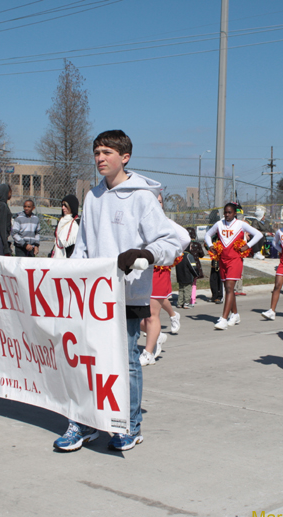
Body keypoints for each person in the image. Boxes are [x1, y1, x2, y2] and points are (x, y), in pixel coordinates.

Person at [53, 130, 183, 452]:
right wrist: (71, 276)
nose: (100, 158)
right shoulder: (91, 197)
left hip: (129, 294)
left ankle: (129, 425)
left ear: (124, 157)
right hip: (94, 294)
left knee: (125, 361)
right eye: (97, 152)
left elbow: (173, 240)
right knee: (85, 360)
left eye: (107, 152)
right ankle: (83, 424)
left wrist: (145, 255)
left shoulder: (142, 197)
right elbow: (83, 247)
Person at [140, 193, 189, 367]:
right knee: (135, 315)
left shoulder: (167, 223)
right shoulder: (141, 219)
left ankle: (149, 353)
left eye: (159, 202)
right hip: (140, 271)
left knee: (152, 313)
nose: (156, 204)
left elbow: (185, 238)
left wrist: (170, 255)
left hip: (159, 270)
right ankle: (159, 333)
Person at [205, 202, 262, 330]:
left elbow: (259, 234)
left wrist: (248, 245)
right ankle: (235, 315)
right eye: (225, 212)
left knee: (230, 287)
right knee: (227, 288)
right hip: (223, 260)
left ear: (235, 213)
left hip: (235, 260)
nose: (227, 215)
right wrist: (211, 246)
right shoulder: (219, 224)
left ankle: (224, 319)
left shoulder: (241, 224)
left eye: (229, 212)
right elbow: (207, 235)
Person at [51, 195, 79, 259]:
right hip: (57, 254)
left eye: (65, 205)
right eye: (62, 205)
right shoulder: (61, 221)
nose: (63, 208)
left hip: (69, 256)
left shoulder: (76, 222)